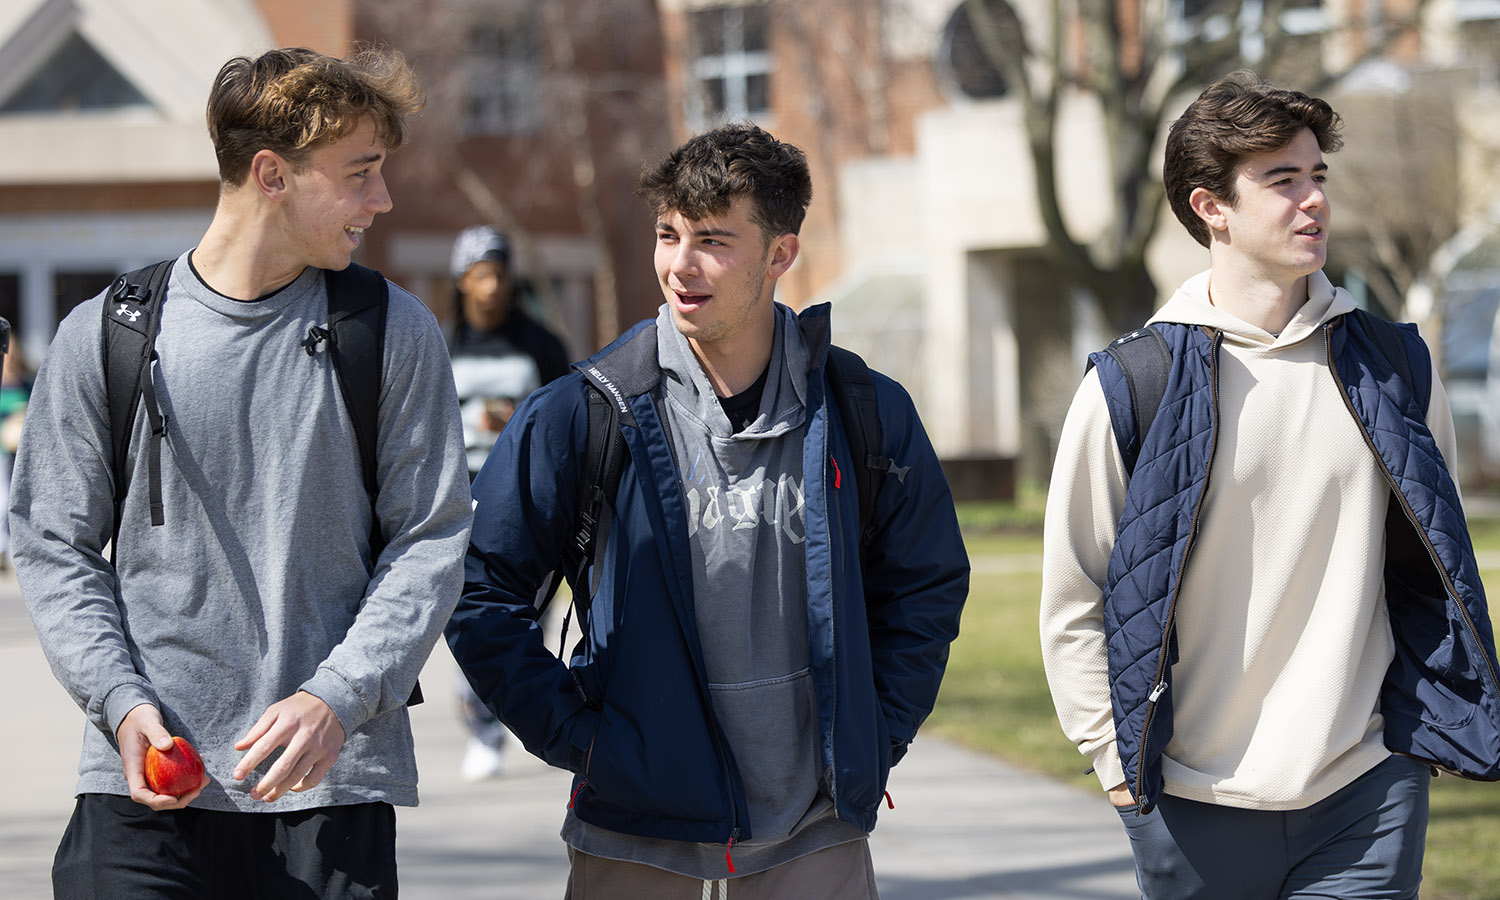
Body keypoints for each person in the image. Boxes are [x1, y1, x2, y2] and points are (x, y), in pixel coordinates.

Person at [446, 123, 969, 898]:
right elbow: (479, 587)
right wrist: (586, 743)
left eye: (713, 241)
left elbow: (924, 586)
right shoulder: (585, 413)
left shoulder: (866, 411)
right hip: (635, 831)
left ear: (780, 255)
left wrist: (871, 735)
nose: (679, 266)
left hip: (812, 831)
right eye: (667, 234)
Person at [9, 47, 472, 898]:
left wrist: (338, 695)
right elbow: (51, 543)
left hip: (328, 794)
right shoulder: (105, 335)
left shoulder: (392, 333)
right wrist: (120, 701)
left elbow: (432, 534)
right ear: (271, 174)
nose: (383, 199)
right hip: (140, 790)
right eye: (360, 173)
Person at [1039, 70, 1500, 899]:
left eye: (1317, 175)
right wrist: (1118, 768)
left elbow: (1437, 560)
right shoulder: (1132, 382)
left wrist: (1420, 737)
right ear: (1210, 206)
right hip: (1192, 798)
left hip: (1366, 783)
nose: (1312, 200)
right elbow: (1077, 596)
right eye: (1282, 180)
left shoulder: (1394, 366)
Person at [446, 223, 570, 780]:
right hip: (461, 497)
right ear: (462, 282)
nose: (491, 286)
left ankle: (525, 715)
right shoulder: (440, 346)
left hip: (526, 495)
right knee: (466, 612)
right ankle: (482, 728)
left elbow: (568, 415)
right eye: (479, 275)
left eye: (498, 273)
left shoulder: (540, 345)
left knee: (528, 613)